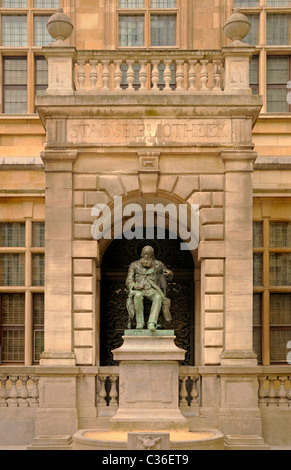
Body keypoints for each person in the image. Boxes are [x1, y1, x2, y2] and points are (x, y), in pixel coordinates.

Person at [126, 245, 173, 332]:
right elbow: (129, 280)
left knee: (158, 297)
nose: (146, 256)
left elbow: (168, 274)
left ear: (152, 255)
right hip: (139, 289)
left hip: (152, 289)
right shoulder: (134, 265)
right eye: (145, 254)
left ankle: (152, 322)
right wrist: (134, 285)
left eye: (149, 254)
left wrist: (169, 273)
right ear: (141, 254)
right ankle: (140, 322)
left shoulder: (158, 264)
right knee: (137, 295)